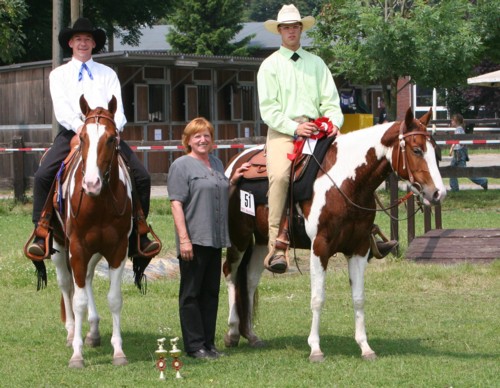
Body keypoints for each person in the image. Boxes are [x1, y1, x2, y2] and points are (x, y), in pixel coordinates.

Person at [258, 4, 397, 273]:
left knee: (354, 169)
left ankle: (364, 233)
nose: (291, 31)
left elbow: (331, 102)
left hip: (320, 129)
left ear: (301, 30)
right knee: (280, 176)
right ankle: (277, 245)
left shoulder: (317, 63)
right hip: (284, 132)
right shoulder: (269, 66)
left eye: (295, 27)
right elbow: (269, 109)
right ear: (280, 31)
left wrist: (334, 123)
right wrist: (294, 128)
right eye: (286, 27)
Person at [27, 18, 159, 258]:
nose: (83, 43)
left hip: (107, 134)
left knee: (142, 176)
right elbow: (62, 109)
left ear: (93, 44)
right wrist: (81, 128)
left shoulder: (108, 73)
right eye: (78, 39)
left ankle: (138, 231)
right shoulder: (58, 75)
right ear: (70, 43)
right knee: (43, 175)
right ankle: (42, 230)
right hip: (73, 132)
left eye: (87, 39)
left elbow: (118, 109)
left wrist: (114, 130)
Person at [167, 117, 249, 359]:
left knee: (211, 293)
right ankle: (194, 346)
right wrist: (184, 239)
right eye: (197, 136)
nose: (203, 140)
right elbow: (176, 204)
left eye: (207, 136)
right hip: (194, 239)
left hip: (215, 239)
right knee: (191, 294)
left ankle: (209, 344)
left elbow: (220, 192)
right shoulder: (181, 166)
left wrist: (233, 181)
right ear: (188, 141)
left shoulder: (215, 162)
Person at [449, 113, 488, 192]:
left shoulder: (459, 129)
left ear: (456, 121)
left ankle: (482, 181)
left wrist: (452, 148)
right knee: (458, 171)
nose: (451, 122)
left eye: (452, 121)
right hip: (459, 152)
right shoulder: (459, 129)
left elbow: (459, 141)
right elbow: (457, 140)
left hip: (459, 153)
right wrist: (452, 148)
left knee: (454, 170)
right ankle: (482, 181)